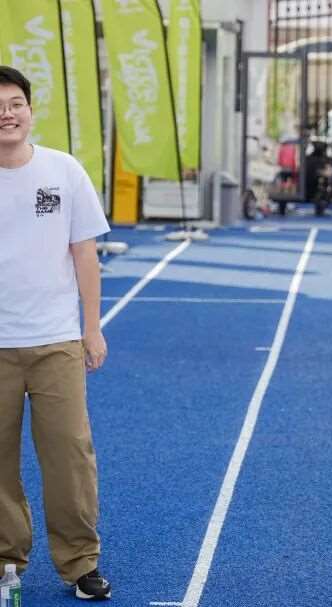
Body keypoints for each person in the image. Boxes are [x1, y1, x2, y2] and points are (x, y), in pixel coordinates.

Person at [0, 66, 112, 600]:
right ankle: (6, 559)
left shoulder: (63, 170)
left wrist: (92, 328)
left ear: (30, 109)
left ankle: (79, 562)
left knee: (70, 455)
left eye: (15, 103)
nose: (6, 114)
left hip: (56, 341)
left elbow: (85, 254)